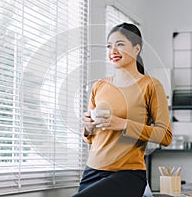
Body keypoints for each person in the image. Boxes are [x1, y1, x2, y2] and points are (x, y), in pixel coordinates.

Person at [73, 23, 172, 197]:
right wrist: (88, 127)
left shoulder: (151, 85)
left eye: (120, 44)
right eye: (109, 46)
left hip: (127, 174)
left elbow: (165, 136)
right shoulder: (99, 86)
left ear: (136, 49)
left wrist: (123, 124)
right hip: (91, 172)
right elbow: (90, 139)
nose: (113, 50)